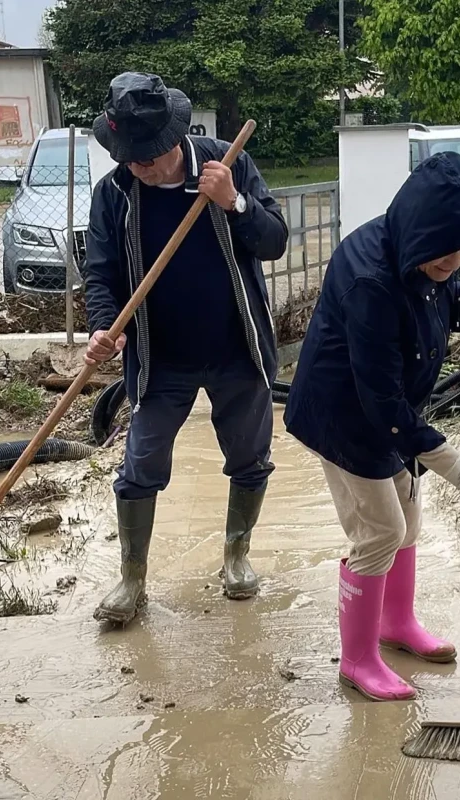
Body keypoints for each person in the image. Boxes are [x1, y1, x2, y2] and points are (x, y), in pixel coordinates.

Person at [285, 152, 460, 701]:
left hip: (388, 411)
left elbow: (433, 296)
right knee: (379, 529)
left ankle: (396, 623)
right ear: (418, 232)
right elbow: (380, 402)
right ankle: (358, 659)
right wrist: (456, 466)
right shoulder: (371, 280)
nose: (456, 261)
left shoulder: (422, 252)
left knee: (407, 512)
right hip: (344, 415)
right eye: (446, 255)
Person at [84, 72, 288, 624]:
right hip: (158, 356)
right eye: (128, 156)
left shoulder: (226, 163)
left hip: (235, 347)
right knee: (140, 463)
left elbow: (274, 240)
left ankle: (236, 557)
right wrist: (105, 328)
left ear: (174, 138)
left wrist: (234, 203)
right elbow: (100, 274)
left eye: (147, 156)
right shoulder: (115, 192)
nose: (139, 167)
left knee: (249, 457)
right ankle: (132, 580)